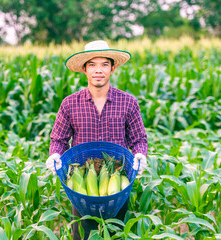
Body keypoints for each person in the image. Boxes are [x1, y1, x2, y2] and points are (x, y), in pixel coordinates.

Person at [46, 40, 148, 239]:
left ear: (112, 68)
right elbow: (59, 139)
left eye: (104, 64)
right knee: (83, 235)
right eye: (92, 64)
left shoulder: (128, 102)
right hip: (82, 184)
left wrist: (140, 155)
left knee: (116, 234)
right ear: (84, 69)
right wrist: (55, 154)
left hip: (117, 182)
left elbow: (139, 139)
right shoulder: (69, 104)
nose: (98, 70)